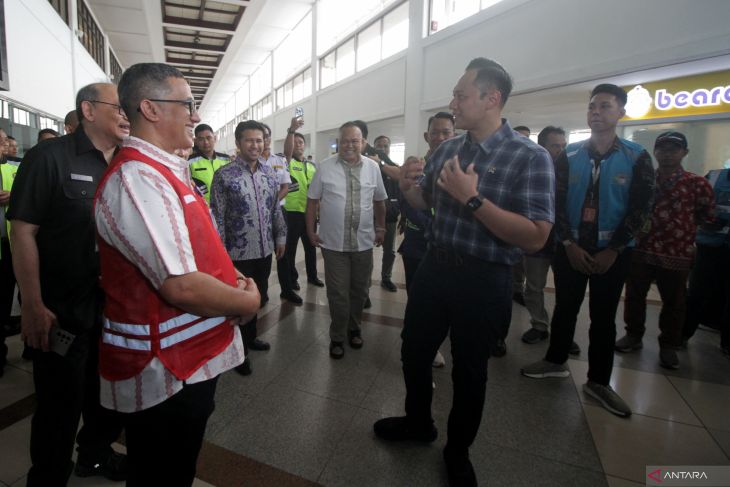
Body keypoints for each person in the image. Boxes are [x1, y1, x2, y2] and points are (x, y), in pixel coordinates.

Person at [374, 58, 554, 487]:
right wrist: (407, 187)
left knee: (469, 371)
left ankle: (458, 450)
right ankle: (419, 423)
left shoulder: (530, 157)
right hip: (436, 267)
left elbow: (535, 237)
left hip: (484, 277)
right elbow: (424, 204)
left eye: (461, 95)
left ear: (492, 99)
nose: (452, 103)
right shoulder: (450, 149)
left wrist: (473, 199)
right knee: (414, 351)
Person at [94, 63, 259, 486]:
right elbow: (180, 284)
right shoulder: (137, 178)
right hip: (165, 368)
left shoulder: (165, 170)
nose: (194, 115)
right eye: (185, 104)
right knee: (161, 471)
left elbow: (200, 248)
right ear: (149, 108)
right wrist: (245, 301)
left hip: (192, 356)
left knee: (179, 465)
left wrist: (231, 281)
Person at [9, 82, 129, 485]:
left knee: (108, 397)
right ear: (89, 110)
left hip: (115, 307)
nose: (127, 113)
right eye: (119, 106)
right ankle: (47, 476)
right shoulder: (49, 157)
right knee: (59, 404)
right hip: (62, 308)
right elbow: (23, 231)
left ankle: (93, 454)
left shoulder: (128, 162)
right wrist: (32, 303)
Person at [521, 84, 655, 419]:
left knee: (603, 316)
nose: (596, 112)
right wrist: (568, 243)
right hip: (571, 248)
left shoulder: (636, 156)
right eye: (592, 107)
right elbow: (556, 203)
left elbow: (641, 208)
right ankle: (555, 361)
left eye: (605, 107)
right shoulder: (568, 155)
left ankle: (598, 381)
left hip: (614, 252)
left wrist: (614, 249)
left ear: (620, 113)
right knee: (565, 307)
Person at [617, 132, 714, 369]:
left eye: (674, 149)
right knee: (634, 295)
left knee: (675, 301)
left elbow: (706, 215)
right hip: (642, 248)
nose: (667, 154)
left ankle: (669, 345)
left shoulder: (696, 183)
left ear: (684, 153)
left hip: (676, 252)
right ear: (656, 152)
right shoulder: (644, 179)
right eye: (663, 149)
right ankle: (633, 335)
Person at [306, 121, 387, 360]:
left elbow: (380, 201)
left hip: (363, 242)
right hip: (334, 244)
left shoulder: (373, 167)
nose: (350, 145)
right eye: (345, 140)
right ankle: (338, 336)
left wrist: (381, 227)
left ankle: (355, 328)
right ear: (338, 143)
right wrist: (310, 230)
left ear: (363, 142)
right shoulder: (325, 167)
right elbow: (312, 201)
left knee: (360, 290)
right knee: (338, 293)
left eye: (355, 140)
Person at [211, 120, 285, 375]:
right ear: (238, 143)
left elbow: (275, 209)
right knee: (237, 303)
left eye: (259, 140)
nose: (255, 145)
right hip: (236, 254)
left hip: (264, 250)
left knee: (259, 296)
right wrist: (220, 254)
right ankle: (237, 351)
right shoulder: (224, 175)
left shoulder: (270, 174)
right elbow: (217, 217)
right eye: (249, 140)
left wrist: (281, 238)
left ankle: (251, 337)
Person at [399, 111, 456, 368]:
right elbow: (412, 203)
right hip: (417, 246)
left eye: (447, 132)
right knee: (418, 298)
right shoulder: (418, 167)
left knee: (445, 301)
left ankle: (433, 342)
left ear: (455, 135)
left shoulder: (461, 167)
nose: (441, 137)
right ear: (427, 136)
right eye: (436, 132)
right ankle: (418, 345)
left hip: (449, 248)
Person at [520, 126, 578, 353]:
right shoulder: (531, 168)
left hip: (566, 238)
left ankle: (564, 333)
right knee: (534, 285)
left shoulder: (573, 171)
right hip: (537, 237)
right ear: (542, 146)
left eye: (563, 146)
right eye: (555, 146)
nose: (561, 151)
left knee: (568, 290)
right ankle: (539, 324)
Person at [683, 167, 730, 357]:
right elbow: (691, 203)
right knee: (697, 292)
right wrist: (702, 222)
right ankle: (682, 335)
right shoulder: (715, 176)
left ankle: (727, 343)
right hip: (710, 245)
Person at [278, 116, 322, 305]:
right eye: (295, 142)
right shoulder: (286, 162)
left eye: (301, 142)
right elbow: (287, 152)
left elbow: (319, 190)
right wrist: (292, 130)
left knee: (311, 246)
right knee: (290, 250)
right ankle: (292, 279)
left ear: (305, 145)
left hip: (309, 213)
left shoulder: (312, 165)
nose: (298, 145)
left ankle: (313, 276)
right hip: (291, 213)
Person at [373, 134, 401, 293]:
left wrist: (401, 213)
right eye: (379, 146)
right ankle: (364, 284)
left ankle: (386, 278)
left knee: (389, 250)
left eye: (385, 146)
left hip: (389, 216)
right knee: (365, 251)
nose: (382, 149)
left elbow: (401, 191)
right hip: (370, 216)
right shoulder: (368, 165)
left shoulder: (393, 167)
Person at [0, 144, 18, 378]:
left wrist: (13, 196)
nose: (4, 145)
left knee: (5, 302)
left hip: (11, 246)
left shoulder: (15, 168)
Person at [189, 123, 230, 204]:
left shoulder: (226, 159)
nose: (206, 142)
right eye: (201, 139)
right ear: (195, 141)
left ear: (214, 138)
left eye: (209, 138)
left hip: (226, 208)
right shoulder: (190, 162)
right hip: (204, 208)